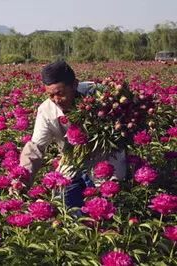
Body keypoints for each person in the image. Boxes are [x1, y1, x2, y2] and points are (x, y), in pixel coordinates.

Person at [19, 61, 126, 208]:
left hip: (105, 159)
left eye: (60, 93)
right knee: (60, 203)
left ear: (74, 84)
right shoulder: (46, 110)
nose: (56, 100)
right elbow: (36, 147)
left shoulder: (100, 95)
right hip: (72, 161)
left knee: (110, 204)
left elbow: (126, 119)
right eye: (50, 95)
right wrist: (21, 179)